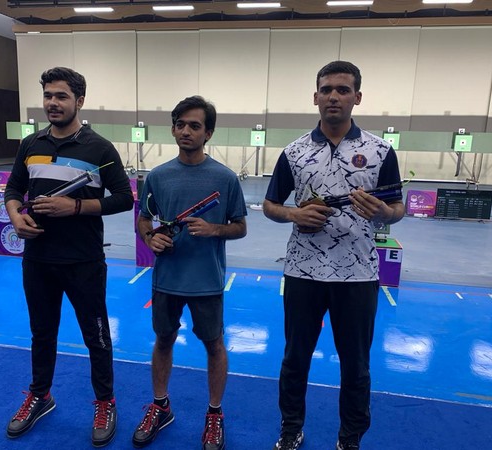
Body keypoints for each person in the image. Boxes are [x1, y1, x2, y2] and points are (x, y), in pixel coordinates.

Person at [263, 61, 405, 450]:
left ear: (357, 97)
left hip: (358, 276)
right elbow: (270, 204)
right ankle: (291, 430)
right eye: (326, 90)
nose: (333, 97)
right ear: (315, 97)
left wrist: (381, 212)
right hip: (303, 272)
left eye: (343, 90)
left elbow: (398, 208)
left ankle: (350, 439)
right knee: (295, 360)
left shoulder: (379, 150)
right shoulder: (293, 152)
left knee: (356, 367)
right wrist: (294, 213)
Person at [3, 67, 134, 448]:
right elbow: (13, 188)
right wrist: (14, 214)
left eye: (61, 96)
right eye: (48, 95)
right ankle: (41, 397)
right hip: (38, 260)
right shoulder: (30, 145)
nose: (52, 103)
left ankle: (106, 402)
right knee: (42, 334)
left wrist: (74, 207)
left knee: (96, 336)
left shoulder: (100, 149)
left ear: (79, 101)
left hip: (83, 261)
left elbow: (124, 198)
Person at [133, 95, 247, 450]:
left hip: (207, 282)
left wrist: (214, 230)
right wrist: (150, 238)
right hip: (167, 279)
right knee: (163, 340)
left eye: (194, 125)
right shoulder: (158, 176)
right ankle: (161, 405)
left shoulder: (225, 179)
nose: (185, 131)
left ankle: (214, 414)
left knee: (214, 344)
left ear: (208, 133)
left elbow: (240, 227)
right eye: (180, 124)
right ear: (173, 129)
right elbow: (143, 220)